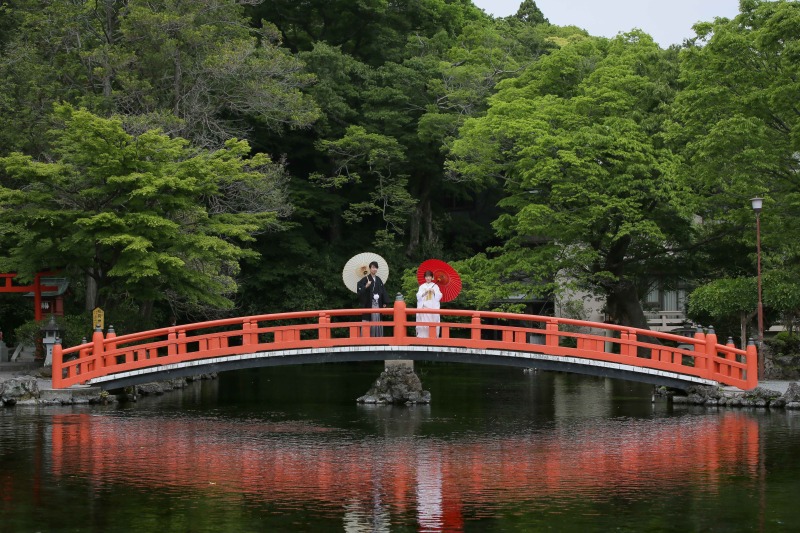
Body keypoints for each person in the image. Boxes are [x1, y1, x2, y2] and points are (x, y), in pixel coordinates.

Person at [357, 261, 389, 336]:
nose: (375, 269)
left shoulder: (378, 279)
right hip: (369, 303)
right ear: (370, 268)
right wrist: (366, 286)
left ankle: (377, 338)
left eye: (376, 268)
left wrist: (384, 302)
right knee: (369, 319)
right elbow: (359, 292)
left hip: (378, 303)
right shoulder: (365, 279)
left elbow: (383, 291)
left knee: (377, 319)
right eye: (373, 267)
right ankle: (367, 337)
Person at [415, 270, 442, 338]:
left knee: (432, 322)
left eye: (429, 276)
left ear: (432, 277)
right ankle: (422, 336)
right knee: (423, 323)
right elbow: (418, 296)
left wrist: (434, 292)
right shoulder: (422, 286)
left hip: (432, 308)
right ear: (424, 278)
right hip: (424, 308)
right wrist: (424, 293)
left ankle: (433, 336)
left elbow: (439, 296)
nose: (428, 278)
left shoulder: (435, 286)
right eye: (426, 277)